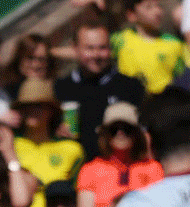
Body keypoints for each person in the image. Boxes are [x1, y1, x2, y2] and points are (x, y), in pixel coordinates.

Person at [54, 14, 146, 160]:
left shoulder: (131, 86)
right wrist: (58, 134)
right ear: (75, 48)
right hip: (81, 172)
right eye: (89, 48)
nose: (96, 55)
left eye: (102, 48)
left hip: (125, 169)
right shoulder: (61, 88)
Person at [76, 102, 163, 207]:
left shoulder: (153, 168)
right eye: (114, 129)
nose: (120, 133)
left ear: (136, 134)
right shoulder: (90, 169)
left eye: (127, 129)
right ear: (105, 134)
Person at [11, 79, 84, 207]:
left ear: (51, 111)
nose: (32, 111)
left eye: (39, 106)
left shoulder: (71, 149)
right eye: (26, 106)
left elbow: (79, 194)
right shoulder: (11, 146)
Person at [113, 0, 190, 94]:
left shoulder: (175, 44)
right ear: (131, 15)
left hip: (162, 103)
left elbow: (185, 75)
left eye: (159, 6)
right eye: (149, 7)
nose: (157, 12)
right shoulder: (119, 40)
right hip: (128, 99)